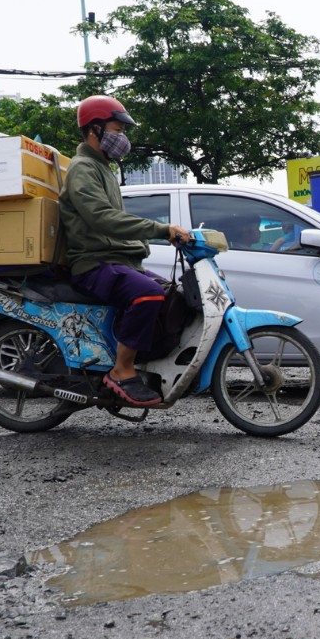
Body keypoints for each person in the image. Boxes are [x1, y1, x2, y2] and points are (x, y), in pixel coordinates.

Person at [59, 95, 191, 407]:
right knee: (147, 294)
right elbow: (103, 219)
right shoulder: (82, 168)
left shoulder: (102, 167)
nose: (123, 138)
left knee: (173, 295)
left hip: (118, 261)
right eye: (118, 129)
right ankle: (121, 370)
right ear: (95, 129)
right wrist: (161, 229)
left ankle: (140, 361)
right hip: (93, 263)